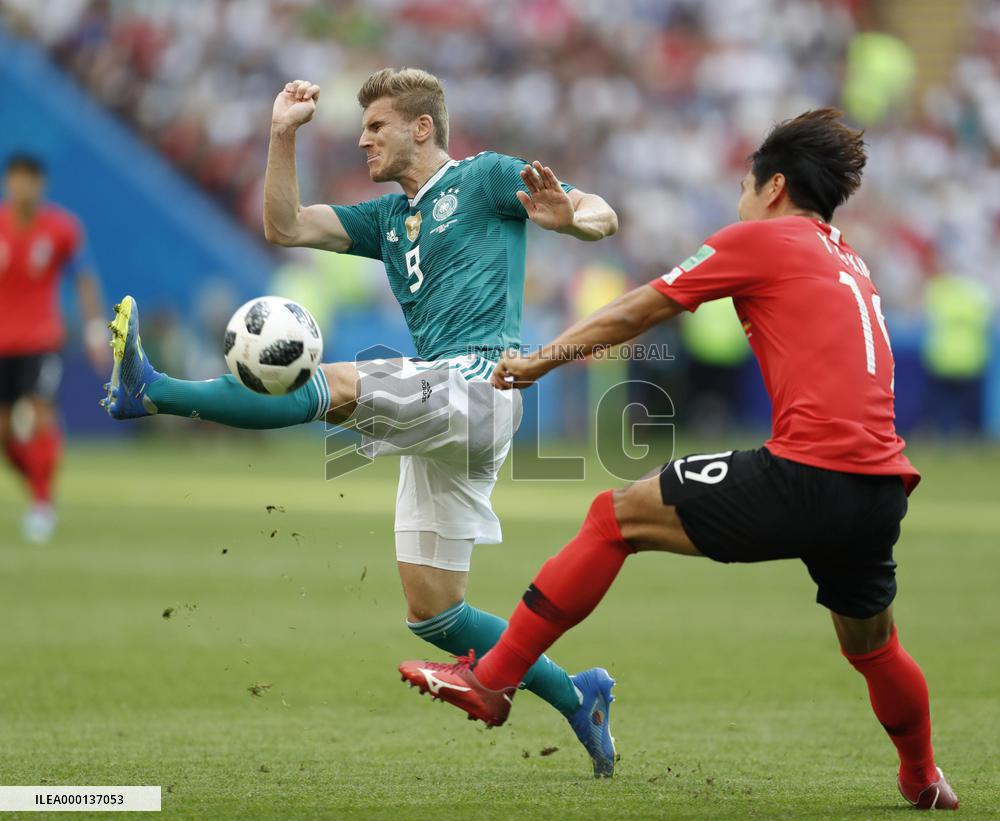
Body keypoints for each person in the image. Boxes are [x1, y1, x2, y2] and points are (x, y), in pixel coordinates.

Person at [398, 109, 958, 809]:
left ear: (774, 186)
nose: (740, 202)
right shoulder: (848, 256)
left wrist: (539, 362)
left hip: (810, 471)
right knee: (873, 647)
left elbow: (640, 309)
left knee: (613, 517)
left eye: (746, 188)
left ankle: (492, 680)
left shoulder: (764, 239)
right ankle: (922, 777)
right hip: (879, 487)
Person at [102, 68, 622, 776]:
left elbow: (602, 212)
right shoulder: (385, 219)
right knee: (435, 614)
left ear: (421, 127)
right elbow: (285, 225)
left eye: (375, 125)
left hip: (480, 382)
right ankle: (578, 695)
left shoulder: (486, 179)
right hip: (446, 405)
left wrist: (574, 220)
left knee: (334, 384)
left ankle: (154, 392)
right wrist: (282, 136)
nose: (361, 138)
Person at [0, 154, 106, 543]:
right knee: (5, 434)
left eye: (29, 180)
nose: (21, 187)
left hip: (41, 339)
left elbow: (85, 279)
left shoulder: (61, 228)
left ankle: (42, 504)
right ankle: (37, 484)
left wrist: (96, 330)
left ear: (40, 185)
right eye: (15, 179)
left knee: (41, 413)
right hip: (2, 342)